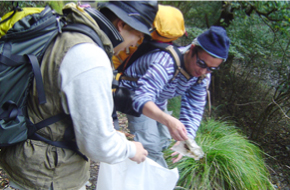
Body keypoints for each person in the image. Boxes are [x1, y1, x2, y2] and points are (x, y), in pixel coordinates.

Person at [0, 1, 158, 190]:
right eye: (137, 37)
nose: (133, 45)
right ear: (121, 25)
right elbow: (99, 144)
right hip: (51, 176)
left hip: (29, 162)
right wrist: (131, 150)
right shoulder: (90, 56)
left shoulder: (67, 31)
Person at [119, 26, 230, 168]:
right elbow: (141, 98)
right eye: (201, 63)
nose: (203, 70)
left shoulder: (202, 76)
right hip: (133, 93)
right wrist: (168, 120)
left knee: (165, 140)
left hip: (158, 97)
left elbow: (194, 109)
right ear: (192, 49)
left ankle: (141, 164)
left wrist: (186, 138)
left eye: (211, 68)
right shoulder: (166, 62)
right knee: (151, 145)